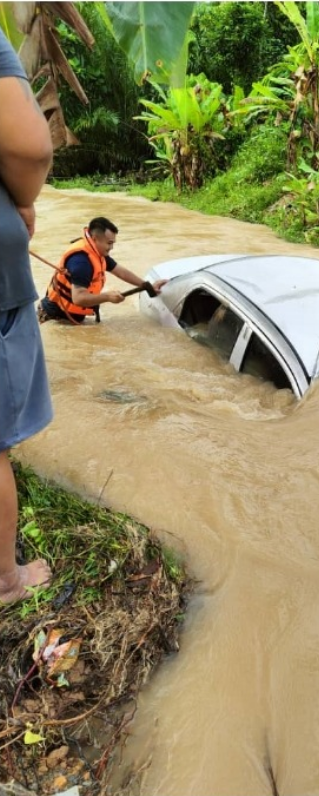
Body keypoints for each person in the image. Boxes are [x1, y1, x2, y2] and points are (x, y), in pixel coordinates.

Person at [0, 29, 54, 604]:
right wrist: (23, 199)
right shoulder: (80, 265)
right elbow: (30, 147)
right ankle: (4, 578)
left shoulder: (96, 261)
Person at [37, 217, 168, 324]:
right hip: (55, 318)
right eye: (109, 243)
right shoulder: (81, 263)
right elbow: (78, 298)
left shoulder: (97, 253)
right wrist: (107, 297)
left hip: (71, 317)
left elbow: (120, 271)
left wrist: (146, 285)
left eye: (113, 243)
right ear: (95, 239)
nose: (112, 247)